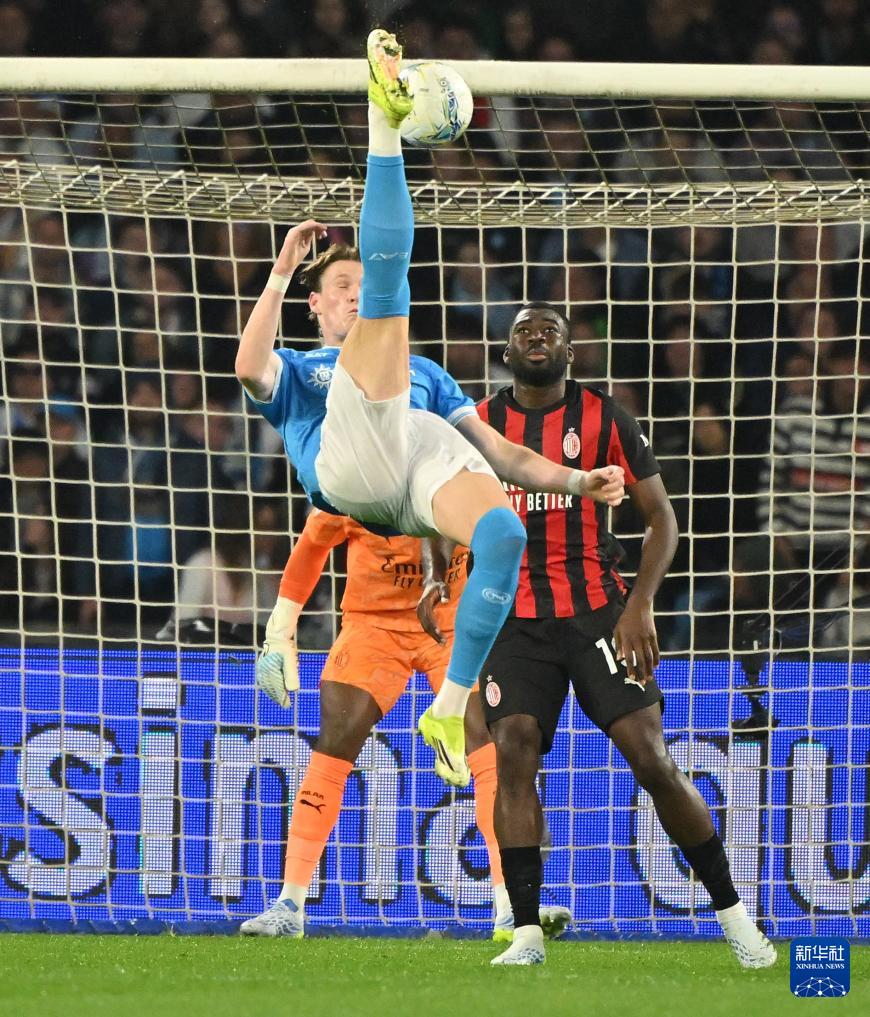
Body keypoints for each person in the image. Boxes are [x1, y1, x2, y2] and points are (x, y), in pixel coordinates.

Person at [235, 28, 624, 791]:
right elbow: (249, 366)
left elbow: (502, 452)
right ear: (317, 305)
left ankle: (447, 707)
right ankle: (383, 122)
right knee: (395, 294)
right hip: (349, 471)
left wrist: (577, 482)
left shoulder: (426, 375)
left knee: (504, 532)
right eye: (339, 287)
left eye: (356, 286)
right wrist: (280, 273)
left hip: (411, 463)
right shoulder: (304, 369)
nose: (351, 295)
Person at [426, 301, 776, 969]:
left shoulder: (606, 418)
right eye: (524, 331)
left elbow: (662, 519)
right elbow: (435, 501)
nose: (536, 337)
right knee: (513, 751)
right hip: (513, 619)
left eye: (550, 331)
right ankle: (525, 934)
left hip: (597, 614)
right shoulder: (478, 424)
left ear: (570, 352)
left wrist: (639, 604)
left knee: (652, 760)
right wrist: (434, 571)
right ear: (506, 352)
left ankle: (737, 919)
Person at [240, 509, 570, 940]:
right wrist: (279, 634)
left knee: (490, 743)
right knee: (336, 741)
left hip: (454, 626)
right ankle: (289, 906)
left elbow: (504, 541)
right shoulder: (354, 486)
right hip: (373, 626)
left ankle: (512, 907)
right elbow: (312, 547)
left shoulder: (464, 480)